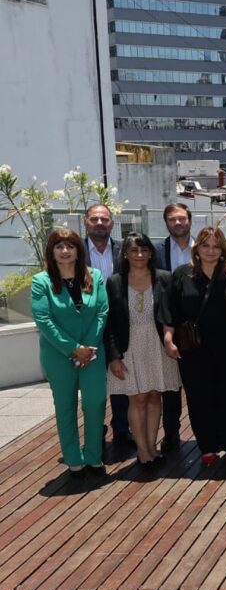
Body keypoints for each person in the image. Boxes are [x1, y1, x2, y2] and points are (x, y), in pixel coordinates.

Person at [162, 226, 226, 466]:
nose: (210, 251)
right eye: (205, 245)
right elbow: (170, 312)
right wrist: (168, 339)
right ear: (197, 248)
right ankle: (207, 447)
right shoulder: (182, 274)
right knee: (199, 397)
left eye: (216, 245)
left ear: (223, 249)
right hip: (193, 348)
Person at [31, 228, 109, 476]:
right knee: (65, 405)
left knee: (95, 402)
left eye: (70, 246)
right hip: (58, 355)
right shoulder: (41, 281)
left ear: (79, 251)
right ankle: (73, 458)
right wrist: (74, 349)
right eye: (59, 246)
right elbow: (43, 319)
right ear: (51, 252)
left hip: (93, 353)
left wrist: (87, 348)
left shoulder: (94, 276)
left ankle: (94, 455)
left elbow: (102, 312)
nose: (65, 251)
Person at [105, 232, 180, 467]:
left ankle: (152, 447)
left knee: (155, 395)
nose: (139, 255)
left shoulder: (164, 278)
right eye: (134, 250)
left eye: (144, 250)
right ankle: (142, 450)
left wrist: (170, 339)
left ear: (150, 253)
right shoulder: (115, 281)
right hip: (130, 347)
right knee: (137, 398)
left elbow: (172, 315)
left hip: (158, 345)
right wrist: (114, 356)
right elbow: (108, 324)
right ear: (125, 254)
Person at [83, 204, 129, 449]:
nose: (99, 224)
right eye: (94, 219)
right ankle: (95, 432)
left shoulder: (124, 251)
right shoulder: (75, 251)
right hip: (87, 327)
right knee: (93, 386)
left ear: (112, 222)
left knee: (121, 379)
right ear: (85, 222)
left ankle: (122, 430)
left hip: (120, 324)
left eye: (104, 219)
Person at [154, 203, 193, 454]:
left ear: (190, 220)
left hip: (195, 326)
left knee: (199, 383)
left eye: (181, 218)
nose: (177, 223)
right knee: (169, 386)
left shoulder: (203, 248)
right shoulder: (156, 251)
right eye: (172, 219)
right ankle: (171, 434)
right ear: (166, 222)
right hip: (165, 325)